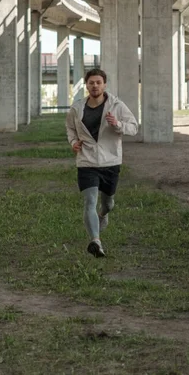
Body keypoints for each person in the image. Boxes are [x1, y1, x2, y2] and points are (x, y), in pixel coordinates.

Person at [65, 69, 138, 258]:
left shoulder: (117, 105)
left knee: (108, 203)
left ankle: (104, 214)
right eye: (91, 83)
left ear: (104, 84)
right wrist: (74, 143)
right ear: (86, 85)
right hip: (86, 161)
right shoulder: (77, 108)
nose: (94, 86)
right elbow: (71, 129)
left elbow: (134, 127)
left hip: (110, 161)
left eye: (98, 82)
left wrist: (118, 125)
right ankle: (96, 241)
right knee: (90, 202)